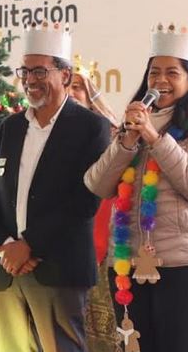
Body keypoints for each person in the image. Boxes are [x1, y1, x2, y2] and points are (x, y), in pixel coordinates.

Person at [84, 23, 188, 352]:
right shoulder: (130, 128)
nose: (160, 81)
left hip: (186, 266)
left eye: (171, 73)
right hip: (127, 265)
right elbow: (96, 185)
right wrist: (127, 142)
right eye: (154, 73)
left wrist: (154, 138)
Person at [0, 21, 112, 352]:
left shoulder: (91, 127)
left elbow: (83, 200)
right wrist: (5, 245)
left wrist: (29, 245)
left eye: (40, 71)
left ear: (65, 76)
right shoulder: (8, 128)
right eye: (25, 72)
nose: (30, 81)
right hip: (7, 270)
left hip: (58, 270)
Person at [67, 55, 121, 352]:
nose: (73, 93)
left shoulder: (111, 133)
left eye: (79, 87)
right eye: (68, 86)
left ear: (90, 96)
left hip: (103, 236)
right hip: (65, 238)